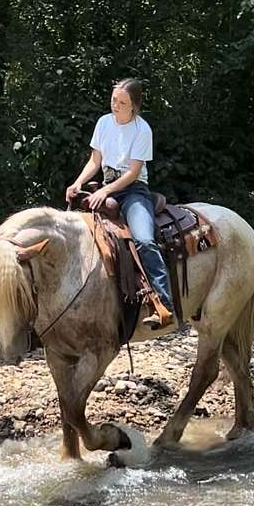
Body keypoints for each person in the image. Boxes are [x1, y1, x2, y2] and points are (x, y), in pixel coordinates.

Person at [65, 78, 174, 329]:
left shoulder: (142, 129)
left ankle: (164, 303)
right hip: (106, 187)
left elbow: (133, 173)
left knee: (144, 239)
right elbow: (95, 161)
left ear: (133, 106)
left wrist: (105, 191)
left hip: (132, 190)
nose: (115, 105)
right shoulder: (103, 123)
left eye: (122, 102)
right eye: (114, 100)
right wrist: (77, 183)